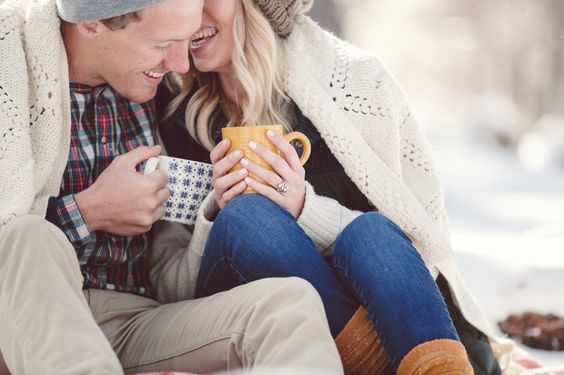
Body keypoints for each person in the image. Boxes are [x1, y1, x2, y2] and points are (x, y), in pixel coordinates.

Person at [159, 0, 505, 374]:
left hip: (383, 310)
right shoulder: (170, 111)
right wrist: (214, 214)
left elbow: (414, 246)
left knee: (371, 231)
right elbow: (169, 290)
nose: (193, 12)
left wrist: (304, 210)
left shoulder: (354, 82)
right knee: (248, 216)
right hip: (244, 310)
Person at [0, 0, 344, 374]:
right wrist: (89, 211)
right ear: (91, 23)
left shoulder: (155, 91)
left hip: (135, 320)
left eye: (186, 41)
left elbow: (170, 263)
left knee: (289, 304)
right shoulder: (11, 62)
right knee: (26, 235)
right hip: (30, 320)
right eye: (162, 45)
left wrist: (212, 211)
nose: (181, 65)